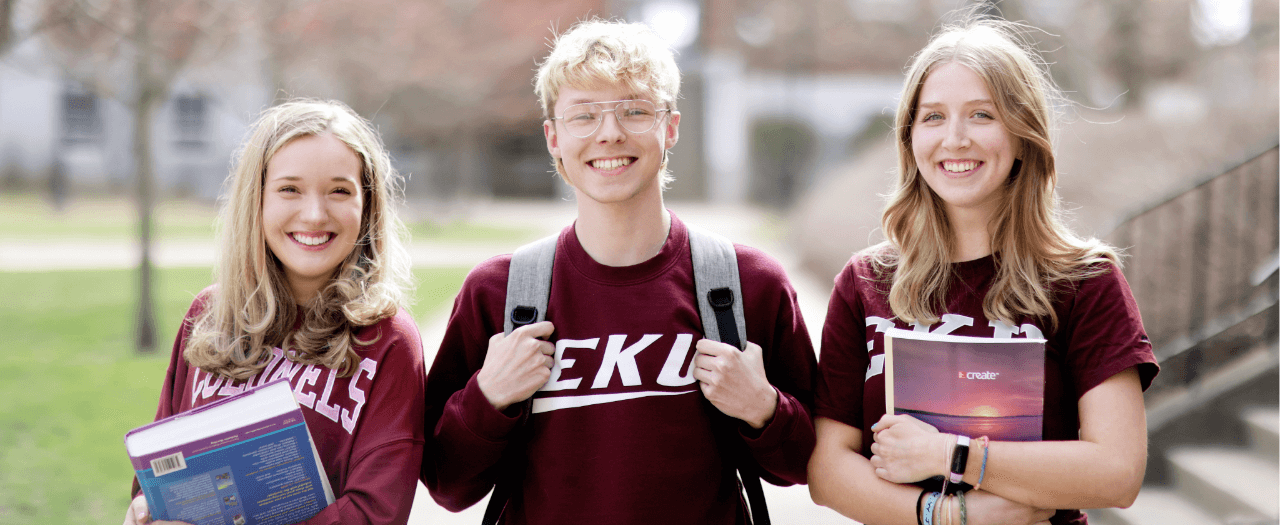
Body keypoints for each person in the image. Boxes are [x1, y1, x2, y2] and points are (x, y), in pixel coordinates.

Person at [422, 19, 817, 525]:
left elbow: (804, 465)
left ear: (670, 126)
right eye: (584, 115)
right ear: (553, 137)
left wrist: (764, 407)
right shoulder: (497, 292)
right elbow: (448, 485)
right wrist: (488, 397)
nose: (610, 134)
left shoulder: (747, 283)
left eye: (635, 110)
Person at [807, 16, 1160, 525]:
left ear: (1023, 133)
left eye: (981, 115)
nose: (954, 139)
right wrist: (951, 515)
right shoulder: (866, 283)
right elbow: (827, 469)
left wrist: (951, 455)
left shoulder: (1086, 282)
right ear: (909, 138)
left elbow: (1117, 471)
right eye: (932, 117)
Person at [122, 99, 425, 525]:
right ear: (256, 199)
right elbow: (155, 474)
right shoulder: (208, 314)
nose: (315, 214)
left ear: (367, 206)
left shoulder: (387, 339)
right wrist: (144, 512)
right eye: (290, 189)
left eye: (340, 190)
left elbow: (377, 513)